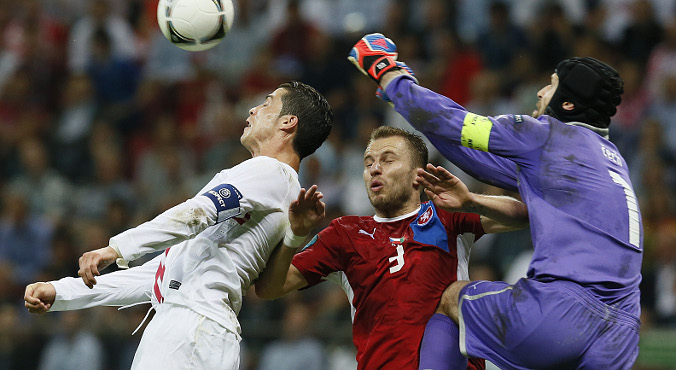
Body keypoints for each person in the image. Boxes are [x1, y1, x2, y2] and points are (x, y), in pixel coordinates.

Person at [349, 33, 641, 369]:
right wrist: (409, 107)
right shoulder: (609, 160)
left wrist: (388, 74)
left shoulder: (544, 134)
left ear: (568, 104)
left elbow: (451, 121)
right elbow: (480, 161)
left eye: (551, 85)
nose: (541, 92)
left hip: (562, 309)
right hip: (621, 331)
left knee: (450, 298)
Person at [23, 81, 333, 370]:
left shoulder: (270, 172)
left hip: (192, 330)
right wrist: (59, 292)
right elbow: (154, 277)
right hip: (195, 329)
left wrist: (116, 248)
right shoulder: (276, 191)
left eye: (267, 104)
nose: (253, 110)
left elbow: (197, 213)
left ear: (288, 122)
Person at [255, 125, 529, 369]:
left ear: (417, 177)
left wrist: (470, 200)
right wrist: (294, 235)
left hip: (450, 362)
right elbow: (270, 289)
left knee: (459, 294)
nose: (374, 168)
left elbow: (525, 216)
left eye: (388, 160)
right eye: (368, 162)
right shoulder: (344, 233)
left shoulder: (446, 216)